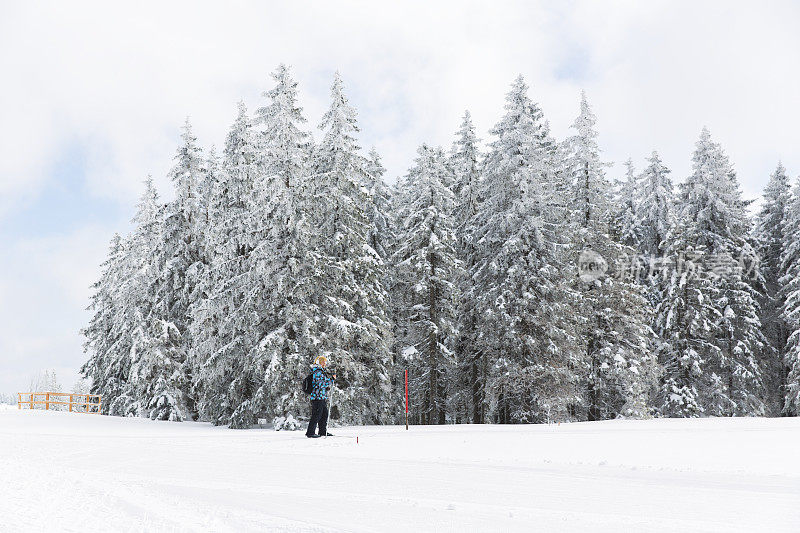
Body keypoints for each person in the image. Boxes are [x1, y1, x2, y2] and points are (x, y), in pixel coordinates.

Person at [306, 355, 335, 438]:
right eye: (322, 362)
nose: (324, 364)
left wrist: (326, 387)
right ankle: (310, 432)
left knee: (324, 414)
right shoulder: (317, 371)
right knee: (317, 414)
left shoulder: (320, 371)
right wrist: (331, 380)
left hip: (321, 396)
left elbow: (321, 383)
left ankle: (322, 431)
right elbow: (320, 383)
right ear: (319, 363)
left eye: (324, 362)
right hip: (317, 397)